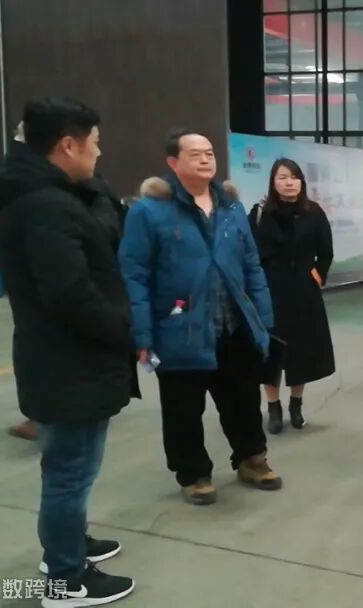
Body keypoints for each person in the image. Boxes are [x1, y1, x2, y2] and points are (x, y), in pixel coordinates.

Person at [0, 96, 135, 606]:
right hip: (70, 362)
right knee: (70, 473)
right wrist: (124, 328)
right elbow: (70, 294)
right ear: (68, 145)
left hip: (63, 361)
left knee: (69, 469)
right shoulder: (48, 206)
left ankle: (67, 548)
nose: (99, 152)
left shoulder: (44, 197)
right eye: (95, 143)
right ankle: (66, 579)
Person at [118, 130, 280, 505]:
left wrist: (263, 319)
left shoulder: (231, 207)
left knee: (242, 400)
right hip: (180, 328)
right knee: (183, 409)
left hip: (233, 325)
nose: (206, 159)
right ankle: (193, 473)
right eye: (195, 154)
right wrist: (142, 336)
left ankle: (251, 459)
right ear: (173, 163)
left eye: (209, 153)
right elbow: (135, 275)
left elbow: (251, 264)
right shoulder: (149, 211)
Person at [248, 158, 335, 433]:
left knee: (302, 353)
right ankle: (273, 408)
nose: (289, 183)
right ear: (273, 183)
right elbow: (249, 255)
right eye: (283, 177)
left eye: (294, 177)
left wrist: (316, 277)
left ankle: (296, 405)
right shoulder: (260, 214)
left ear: (302, 182)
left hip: (303, 294)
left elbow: (326, 252)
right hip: (270, 294)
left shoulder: (314, 212)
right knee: (270, 353)